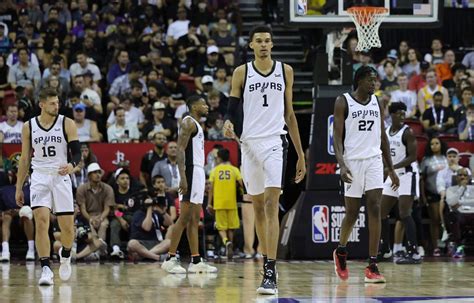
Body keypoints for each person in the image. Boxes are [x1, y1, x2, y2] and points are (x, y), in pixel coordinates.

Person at [223, 25, 306, 294]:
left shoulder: (286, 71)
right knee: (257, 206)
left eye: (267, 41)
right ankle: (264, 261)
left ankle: (270, 268)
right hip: (249, 145)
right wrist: (227, 122)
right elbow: (233, 107)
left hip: (274, 142)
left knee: (271, 203)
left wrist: (300, 155)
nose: (263, 45)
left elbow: (290, 115)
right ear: (250, 45)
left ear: (272, 44)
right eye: (258, 41)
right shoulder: (241, 72)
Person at [332, 66, 400, 283]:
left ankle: (372, 264)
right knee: (351, 213)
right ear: (359, 80)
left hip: (373, 161)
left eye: (375, 80)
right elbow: (337, 137)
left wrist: (391, 168)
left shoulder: (376, 102)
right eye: (371, 80)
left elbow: (383, 137)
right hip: (352, 162)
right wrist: (341, 165)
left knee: (375, 207)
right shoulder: (343, 101)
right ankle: (341, 250)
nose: (374, 84)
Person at [15, 88, 82, 285]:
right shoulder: (29, 126)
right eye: (52, 103)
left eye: (58, 102)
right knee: (41, 221)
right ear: (41, 104)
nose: (57, 106)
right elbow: (25, 158)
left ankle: (66, 254)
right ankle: (45, 268)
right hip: (39, 177)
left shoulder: (67, 123)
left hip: (60, 176)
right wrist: (19, 187)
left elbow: (77, 153)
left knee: (67, 229)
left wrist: (72, 165)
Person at [161, 95, 217, 274]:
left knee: (194, 219)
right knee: (184, 218)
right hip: (190, 171)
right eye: (203, 103)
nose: (206, 106)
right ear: (193, 106)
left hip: (198, 171)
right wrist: (183, 176)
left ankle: (196, 260)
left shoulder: (197, 124)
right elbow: (180, 149)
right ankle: (170, 258)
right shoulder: (188, 122)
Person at [379, 102, 421, 264]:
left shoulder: (408, 132)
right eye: (399, 113)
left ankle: (414, 252)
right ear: (392, 115)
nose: (402, 116)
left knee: (404, 213)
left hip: (407, 175)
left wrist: (392, 168)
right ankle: (386, 250)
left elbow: (412, 156)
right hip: (392, 175)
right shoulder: (387, 132)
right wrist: (388, 168)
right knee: (381, 212)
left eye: (404, 113)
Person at [207, 148, 243, 260]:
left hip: (219, 202)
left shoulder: (215, 170)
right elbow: (241, 184)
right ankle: (229, 247)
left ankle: (226, 242)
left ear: (219, 158)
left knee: (221, 227)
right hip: (231, 202)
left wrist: (209, 203)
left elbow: (211, 189)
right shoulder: (235, 170)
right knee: (231, 227)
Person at [420, 136, 448, 256]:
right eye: (432, 144)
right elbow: (421, 179)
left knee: (446, 220)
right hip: (432, 193)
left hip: (447, 193)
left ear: (441, 144)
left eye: (437, 143)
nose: (434, 146)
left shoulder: (447, 158)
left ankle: (446, 245)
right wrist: (423, 196)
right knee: (435, 220)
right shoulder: (426, 160)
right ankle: (436, 246)